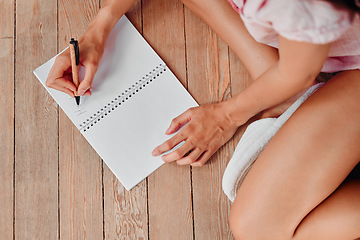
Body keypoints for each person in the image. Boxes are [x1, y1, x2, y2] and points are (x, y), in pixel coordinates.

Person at [46, 0, 360, 238]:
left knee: (255, 227)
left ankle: (284, 97)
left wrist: (226, 116)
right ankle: (282, 97)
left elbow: (299, 73)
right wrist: (99, 29)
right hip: (309, 47)